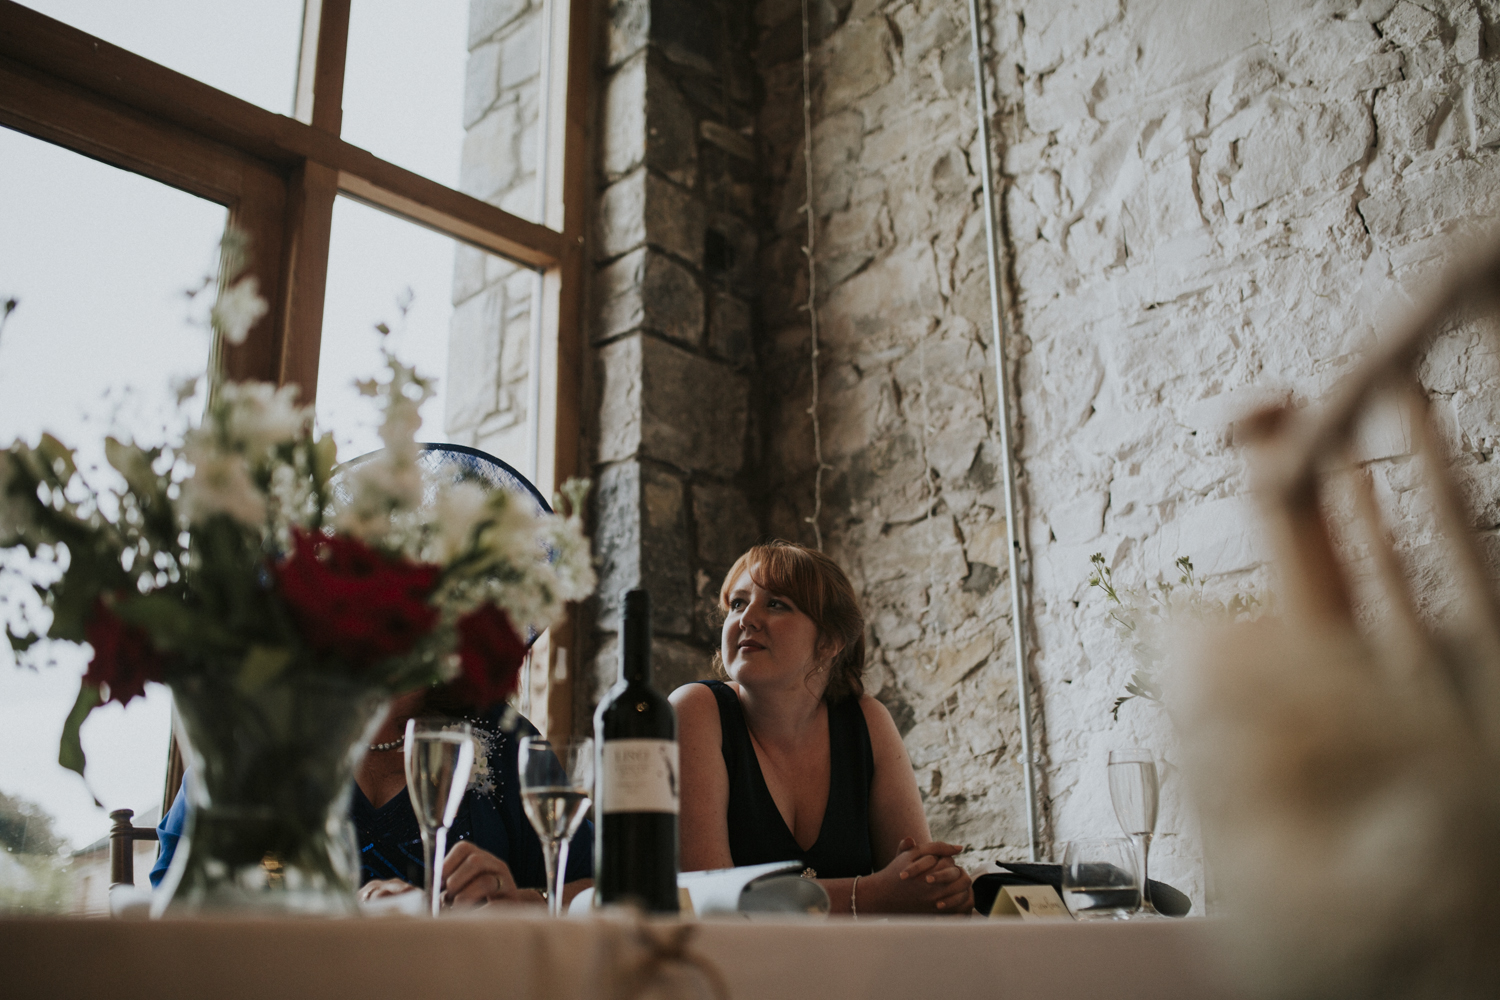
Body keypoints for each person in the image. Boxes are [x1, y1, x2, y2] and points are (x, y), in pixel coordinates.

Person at [671, 541, 974, 915]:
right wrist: (873, 894)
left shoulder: (868, 720)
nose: (746, 618)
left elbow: (911, 878)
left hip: (857, 967)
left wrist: (938, 885)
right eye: (737, 603)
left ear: (830, 641)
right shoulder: (694, 711)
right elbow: (709, 899)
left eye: (776, 604)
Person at [151, 688, 592, 908]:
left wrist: (522, 900)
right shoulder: (258, 737)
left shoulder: (502, 738)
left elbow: (599, 886)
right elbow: (174, 897)